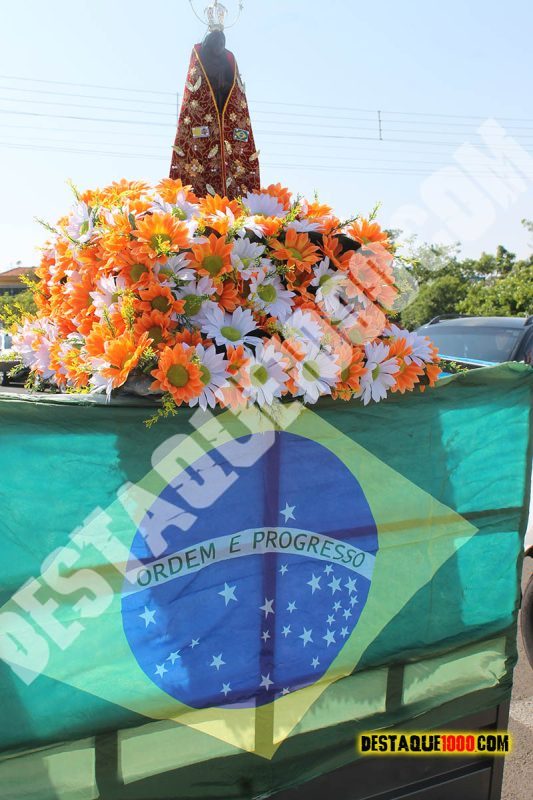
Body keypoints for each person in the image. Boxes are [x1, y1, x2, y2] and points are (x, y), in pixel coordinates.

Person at [169, 30, 260, 199]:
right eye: (217, 43)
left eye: (222, 44)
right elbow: (197, 90)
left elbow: (232, 86)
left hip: (223, 105)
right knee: (199, 159)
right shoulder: (201, 58)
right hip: (206, 110)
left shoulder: (227, 60)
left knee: (234, 157)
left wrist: (225, 85)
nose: (220, 47)